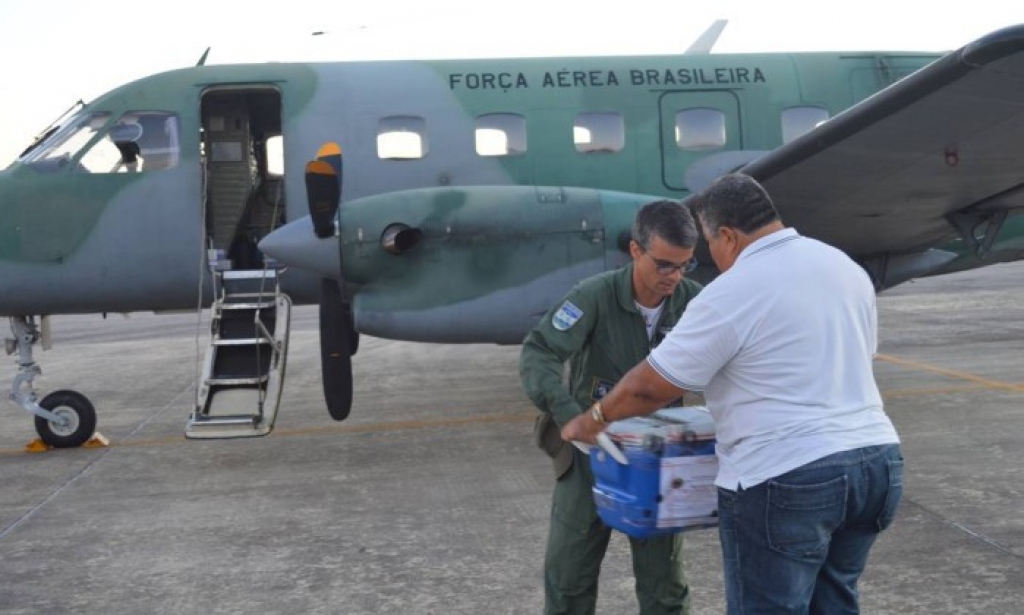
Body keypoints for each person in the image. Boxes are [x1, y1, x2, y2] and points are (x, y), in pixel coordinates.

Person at [562, 173, 903, 614]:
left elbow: (650, 387)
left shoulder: (734, 289)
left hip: (787, 476)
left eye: (709, 245)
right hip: (876, 464)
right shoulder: (842, 266)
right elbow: (860, 355)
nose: (711, 259)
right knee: (834, 603)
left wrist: (592, 420)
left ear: (726, 235)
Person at [520, 199, 704, 615]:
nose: (673, 277)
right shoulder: (594, 296)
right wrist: (570, 416)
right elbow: (540, 351)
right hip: (591, 459)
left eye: (685, 266)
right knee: (569, 581)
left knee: (666, 590)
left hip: (657, 461)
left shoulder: (696, 302)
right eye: (664, 265)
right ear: (635, 250)